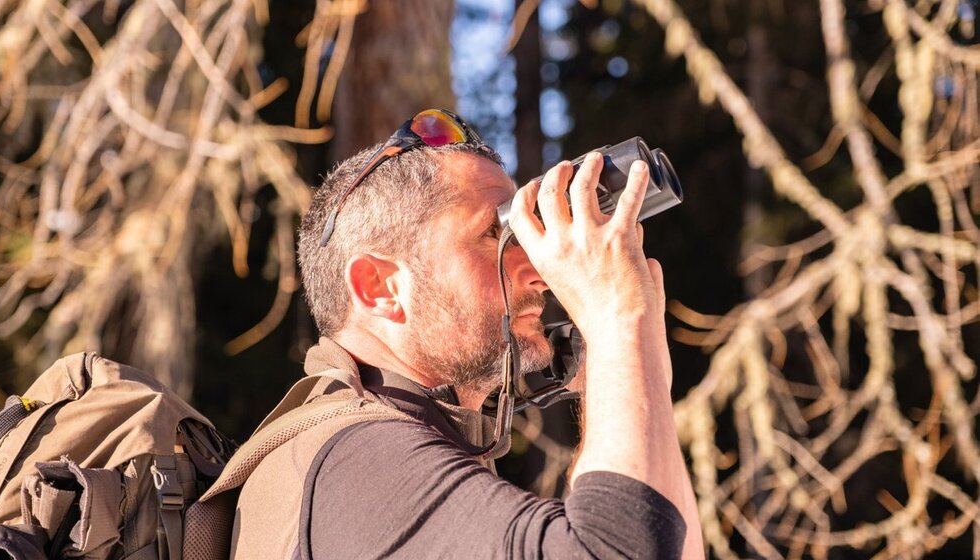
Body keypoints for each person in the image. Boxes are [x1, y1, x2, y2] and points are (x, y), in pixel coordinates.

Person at [230, 109, 704, 558]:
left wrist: (630, 368)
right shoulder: (356, 462)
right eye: (496, 236)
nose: (540, 270)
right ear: (380, 288)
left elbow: (665, 544)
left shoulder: (403, 445)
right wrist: (618, 318)